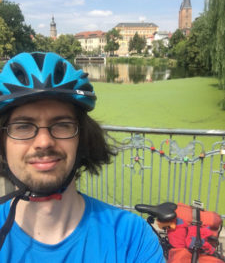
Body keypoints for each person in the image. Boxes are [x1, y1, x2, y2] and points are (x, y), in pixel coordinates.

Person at [0, 52, 164, 262]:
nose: (44, 142)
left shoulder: (132, 237)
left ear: (83, 138)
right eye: (22, 126)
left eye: (61, 125)